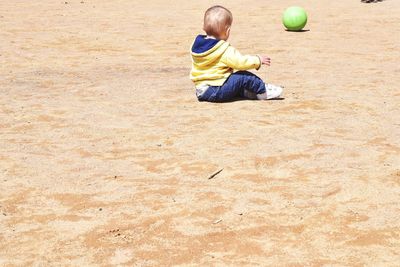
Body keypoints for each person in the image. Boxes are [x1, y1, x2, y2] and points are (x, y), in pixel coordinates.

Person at [190, 5, 283, 102]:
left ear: (203, 26)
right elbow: (240, 63)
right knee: (243, 76)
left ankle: (247, 92)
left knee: (231, 79)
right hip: (217, 90)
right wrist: (257, 60)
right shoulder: (223, 49)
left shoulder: (196, 46)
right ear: (227, 31)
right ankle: (264, 91)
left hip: (201, 91)